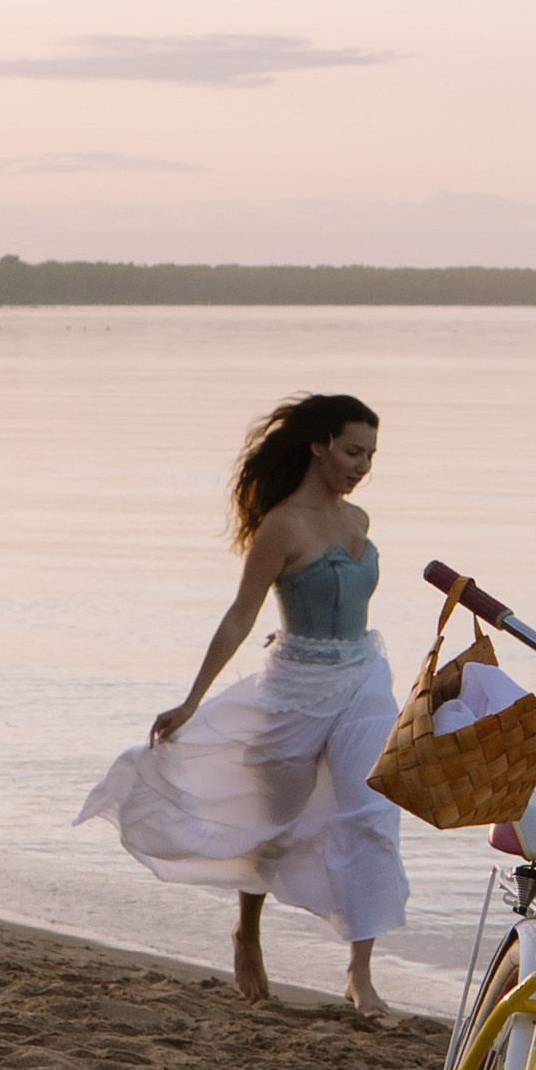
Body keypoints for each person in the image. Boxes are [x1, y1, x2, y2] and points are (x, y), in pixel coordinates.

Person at [78, 391, 407, 1018]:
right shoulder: (281, 525)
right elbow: (240, 616)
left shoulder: (357, 521)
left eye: (370, 454)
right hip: (295, 690)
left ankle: (360, 973)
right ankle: (247, 933)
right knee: (272, 823)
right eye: (352, 451)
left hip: (363, 678)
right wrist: (192, 699)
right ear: (319, 446)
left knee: (372, 810)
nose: (362, 465)